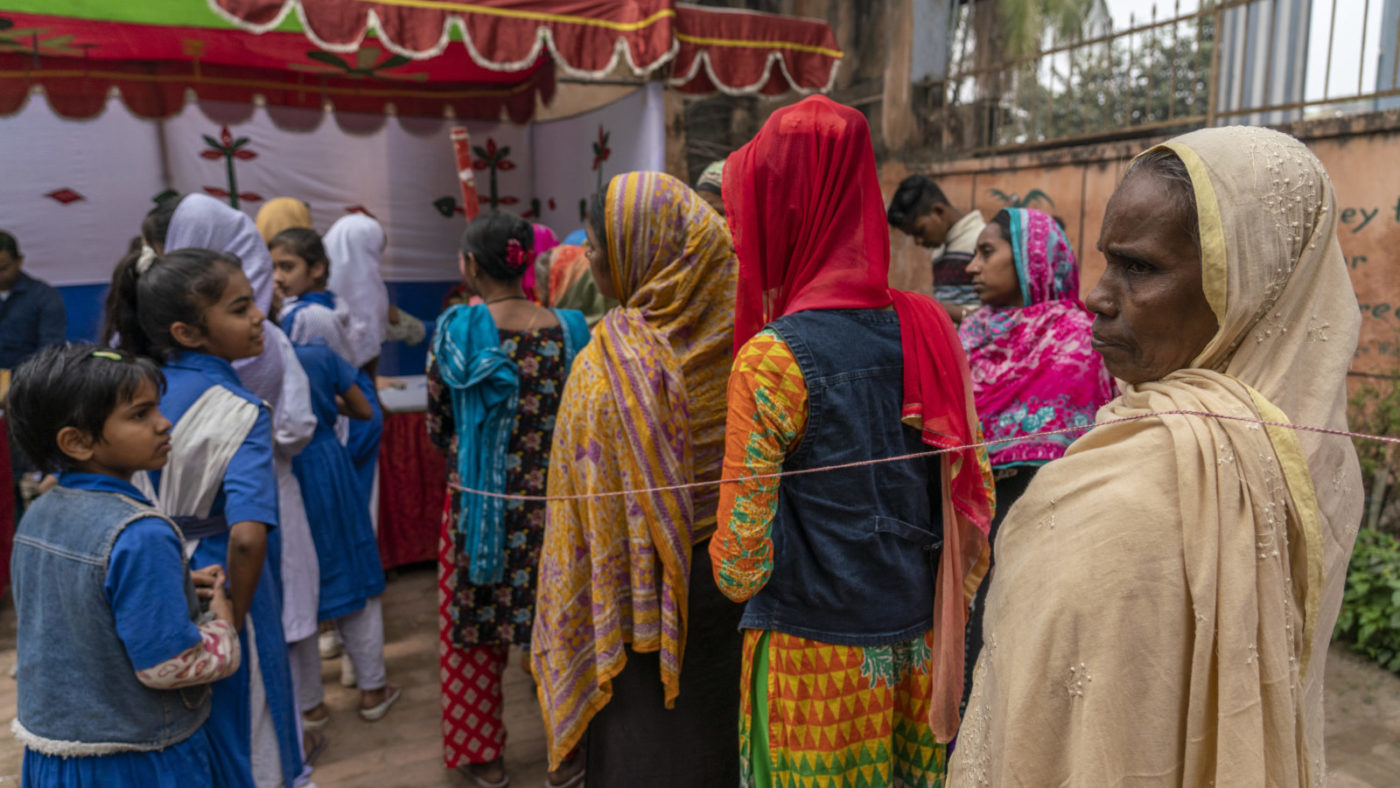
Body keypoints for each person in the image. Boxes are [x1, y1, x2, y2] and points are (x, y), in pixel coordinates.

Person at [948, 126, 1363, 786]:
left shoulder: (1120, 497)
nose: (1097, 295)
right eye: (1107, 260)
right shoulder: (1304, 449)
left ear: (1247, 287)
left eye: (1139, 267)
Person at [712, 95, 993, 788]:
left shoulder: (771, 361)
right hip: (914, 657)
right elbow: (971, 498)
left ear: (782, 211)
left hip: (812, 677)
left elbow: (738, 570)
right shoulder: (933, 328)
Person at [531, 171, 743, 786]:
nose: (591, 261)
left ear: (638, 252)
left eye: (597, 248)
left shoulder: (603, 370)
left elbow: (577, 531)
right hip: (734, 580)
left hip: (632, 609)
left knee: (645, 751)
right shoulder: (754, 343)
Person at [106, 247, 301, 788]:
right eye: (240, 309)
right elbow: (246, 537)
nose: (259, 315)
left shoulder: (136, 396)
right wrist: (229, 626)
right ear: (188, 332)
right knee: (251, 723)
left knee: (183, 728)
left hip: (153, 577)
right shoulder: (238, 410)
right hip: (224, 582)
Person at [7, 343, 240, 786]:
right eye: (140, 414)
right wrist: (222, 630)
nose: (164, 422)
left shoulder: (40, 511)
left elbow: (78, 593)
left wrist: (168, 585)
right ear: (76, 441)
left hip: (56, 756)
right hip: (137, 762)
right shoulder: (141, 533)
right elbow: (169, 665)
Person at [426, 212, 591, 787]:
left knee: (473, 638)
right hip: (558, 512)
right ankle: (568, 753)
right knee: (561, 632)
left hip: (480, 508)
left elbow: (441, 425)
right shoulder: (572, 329)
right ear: (528, 263)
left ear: (470, 266)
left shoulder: (456, 329)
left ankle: (485, 757)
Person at [955, 206, 1114, 705]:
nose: (971, 268)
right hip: (962, 540)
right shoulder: (972, 335)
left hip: (1045, 543)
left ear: (1030, 259)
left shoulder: (1078, 341)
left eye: (986, 252)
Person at [286, 340, 398, 731]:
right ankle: (372, 688)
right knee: (354, 574)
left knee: (293, 586)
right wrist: (325, 405)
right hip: (324, 465)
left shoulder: (239, 361)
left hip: (276, 475)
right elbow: (365, 410)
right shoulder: (316, 355)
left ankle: (310, 705)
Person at [886, 176, 984, 324]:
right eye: (912, 235)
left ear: (938, 212)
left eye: (920, 231)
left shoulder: (980, 240)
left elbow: (995, 317)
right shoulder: (939, 250)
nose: (918, 241)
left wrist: (935, 307)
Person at [0, 231, 67, 370]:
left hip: (28, 381)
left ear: (19, 261)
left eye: (3, 268)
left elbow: (50, 350)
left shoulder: (44, 296)